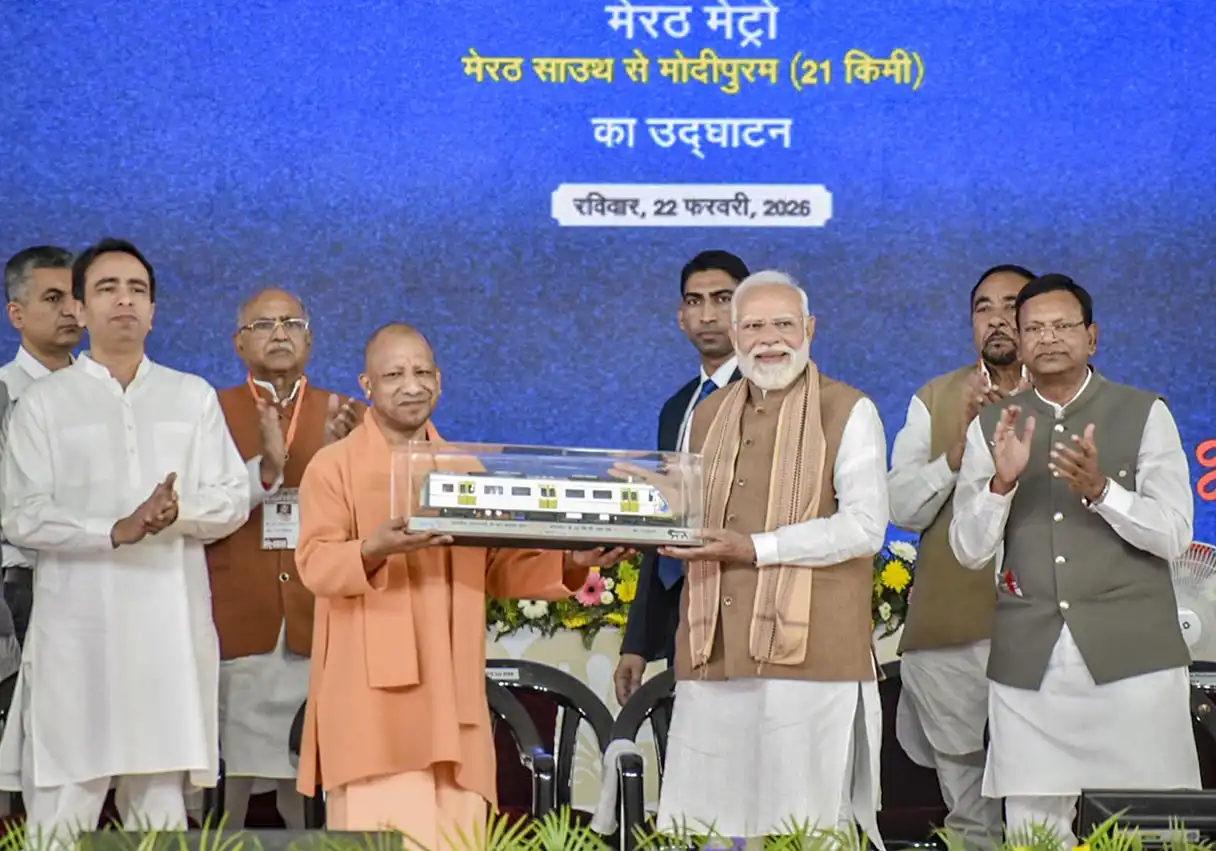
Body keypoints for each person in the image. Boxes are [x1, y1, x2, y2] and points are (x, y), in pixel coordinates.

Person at [294, 322, 627, 847]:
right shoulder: (332, 467)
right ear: (367, 385)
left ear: (440, 380)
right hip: (370, 707)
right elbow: (315, 565)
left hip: (452, 700)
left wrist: (571, 560)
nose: (411, 385)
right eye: (394, 375)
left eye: (422, 372)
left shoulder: (464, 469)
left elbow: (498, 568)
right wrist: (372, 549)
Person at [0, 238, 251, 844]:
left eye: (137, 290)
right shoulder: (43, 404)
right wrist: (115, 530)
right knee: (61, 815)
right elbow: (21, 516)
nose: (124, 301)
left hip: (166, 637)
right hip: (76, 640)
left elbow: (231, 498)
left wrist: (177, 512)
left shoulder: (190, 396)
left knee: (160, 815)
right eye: (107, 288)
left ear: (154, 312)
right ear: (80, 309)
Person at [948, 274, 1200, 847]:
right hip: (1030, 664)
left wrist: (1102, 491)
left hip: (1134, 660)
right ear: (1018, 339)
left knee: (1150, 826)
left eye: (1063, 325)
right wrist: (1001, 485)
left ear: (1093, 336)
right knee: (1034, 831)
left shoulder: (1145, 412)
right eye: (1034, 328)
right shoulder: (994, 425)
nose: (1048, 337)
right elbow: (968, 549)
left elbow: (1174, 535)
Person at [655, 271, 889, 847]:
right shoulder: (705, 416)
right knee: (711, 827)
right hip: (714, 653)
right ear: (735, 335)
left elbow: (865, 528)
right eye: (754, 326)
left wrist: (756, 548)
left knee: (805, 828)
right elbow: (688, 515)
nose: (769, 339)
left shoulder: (848, 409)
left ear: (809, 329)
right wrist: (641, 508)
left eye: (784, 323)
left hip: (812, 660)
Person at [204, 287, 364, 829]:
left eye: (291, 323)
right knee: (228, 786)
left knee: (309, 784)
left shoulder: (348, 414)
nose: (279, 333)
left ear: (310, 340)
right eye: (263, 324)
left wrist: (352, 457)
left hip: (316, 616)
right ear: (238, 342)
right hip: (237, 613)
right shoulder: (208, 411)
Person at [887, 264, 1034, 850]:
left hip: (1050, 630)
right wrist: (958, 448)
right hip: (951, 632)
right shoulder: (936, 397)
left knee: (1045, 806)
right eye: (983, 308)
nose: (997, 319)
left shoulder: (1073, 395)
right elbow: (900, 508)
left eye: (1012, 305)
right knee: (971, 817)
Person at [614, 250, 748, 707]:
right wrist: (637, 642)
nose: (707, 315)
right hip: (683, 618)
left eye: (722, 299)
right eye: (695, 301)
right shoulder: (677, 408)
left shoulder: (773, 395)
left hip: (746, 610)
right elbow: (665, 518)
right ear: (680, 316)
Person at [0, 246, 83, 647]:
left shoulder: (109, 392)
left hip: (106, 576)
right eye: (53, 298)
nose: (70, 310)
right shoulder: (4, 394)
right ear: (16, 314)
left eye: (75, 297)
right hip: (25, 588)